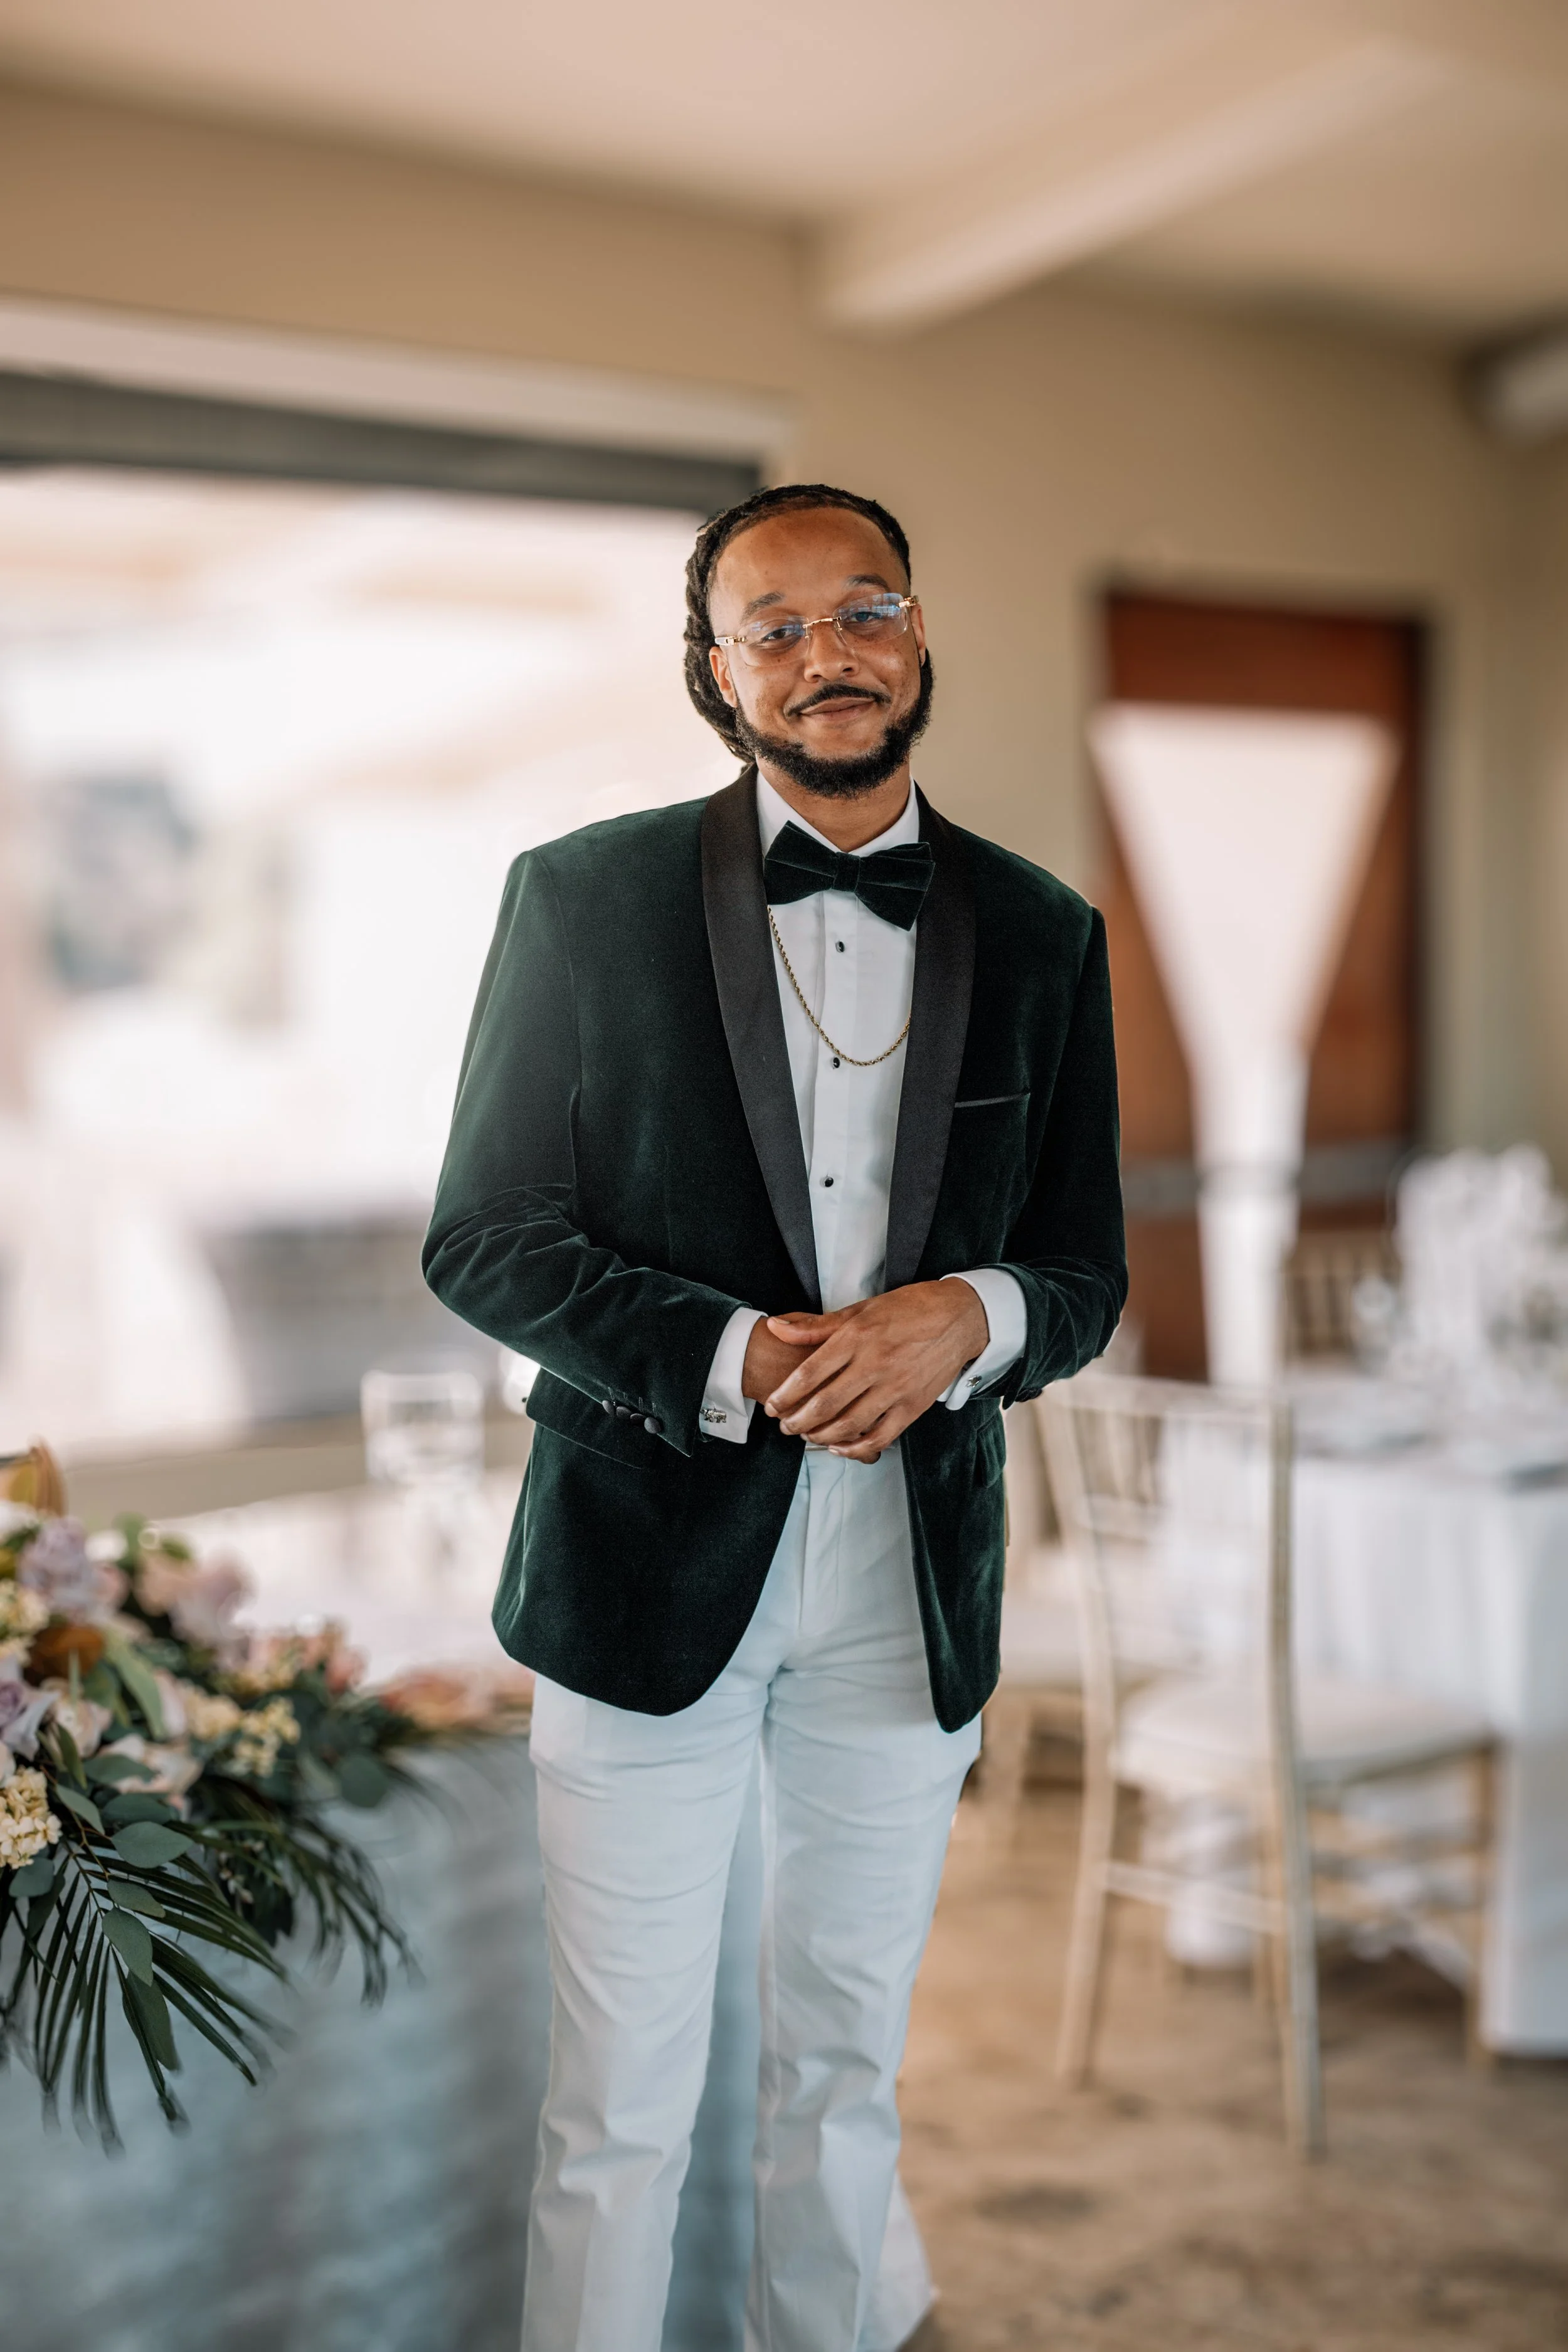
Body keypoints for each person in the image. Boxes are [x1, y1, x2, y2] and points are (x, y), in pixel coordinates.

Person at [423, 482, 1126, 2350]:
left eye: (864, 607)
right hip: (642, 1564)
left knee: (844, 2078)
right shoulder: (576, 900)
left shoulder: (1047, 933)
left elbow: (1082, 1273)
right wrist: (745, 1354)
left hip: (910, 1588)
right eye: (777, 625)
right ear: (713, 672)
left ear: (915, 634)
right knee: (617, 2108)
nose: (829, 652)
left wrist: (962, 1315)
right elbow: (483, 1237)